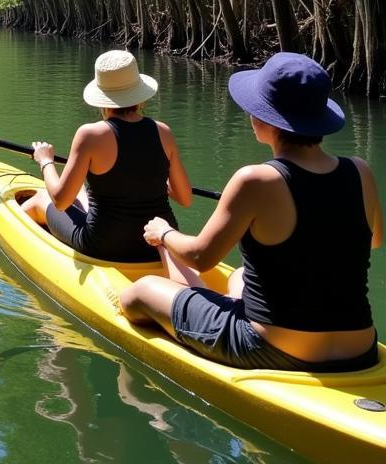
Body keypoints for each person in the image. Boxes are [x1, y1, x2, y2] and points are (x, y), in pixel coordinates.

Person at [120, 52, 382, 372]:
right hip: (361, 349)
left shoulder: (255, 179)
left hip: (269, 349)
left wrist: (164, 233)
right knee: (242, 276)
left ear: (263, 119)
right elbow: (372, 242)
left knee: (139, 293)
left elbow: (201, 257)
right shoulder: (361, 171)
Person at [20, 50, 193, 262]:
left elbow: (61, 201)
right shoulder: (163, 131)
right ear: (139, 97)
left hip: (105, 246)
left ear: (102, 99)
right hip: (157, 244)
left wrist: (45, 161)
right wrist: (148, 177)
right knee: (83, 191)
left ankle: (24, 251)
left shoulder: (90, 134)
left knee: (41, 198)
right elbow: (185, 197)